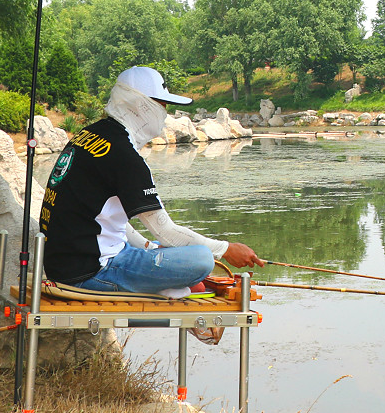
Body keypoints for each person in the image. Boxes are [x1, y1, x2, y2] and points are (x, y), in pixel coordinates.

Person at [39, 66, 264, 340]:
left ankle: (163, 281)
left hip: (65, 265)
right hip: (92, 273)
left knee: (160, 248)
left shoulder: (91, 135)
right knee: (201, 259)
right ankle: (161, 287)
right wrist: (226, 249)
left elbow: (106, 218)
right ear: (141, 105)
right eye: (163, 105)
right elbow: (165, 230)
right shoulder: (124, 156)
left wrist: (145, 246)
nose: (165, 114)